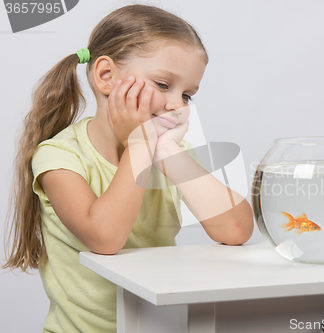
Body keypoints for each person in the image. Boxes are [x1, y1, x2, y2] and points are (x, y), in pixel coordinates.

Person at [2, 4, 254, 332]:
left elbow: (236, 231)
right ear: (106, 76)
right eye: (164, 85)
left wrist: (162, 149)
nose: (177, 105)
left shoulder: (170, 155)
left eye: (187, 95)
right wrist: (140, 145)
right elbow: (105, 239)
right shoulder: (60, 156)